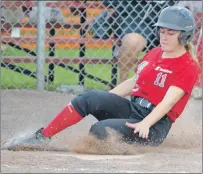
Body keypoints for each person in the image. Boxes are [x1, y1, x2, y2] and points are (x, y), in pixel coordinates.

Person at [7, 6, 199, 147]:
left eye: (171, 33)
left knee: (100, 130)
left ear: (184, 37)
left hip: (154, 125)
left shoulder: (187, 66)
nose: (164, 36)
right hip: (133, 108)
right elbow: (134, 82)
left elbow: (168, 102)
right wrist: (104, 99)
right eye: (162, 31)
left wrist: (145, 123)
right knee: (87, 98)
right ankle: (42, 136)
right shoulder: (154, 53)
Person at [91, 0, 178, 82]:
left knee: (179, 39)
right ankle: (123, 87)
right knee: (132, 41)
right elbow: (109, 5)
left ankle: (174, 88)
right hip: (136, 20)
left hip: (168, 20)